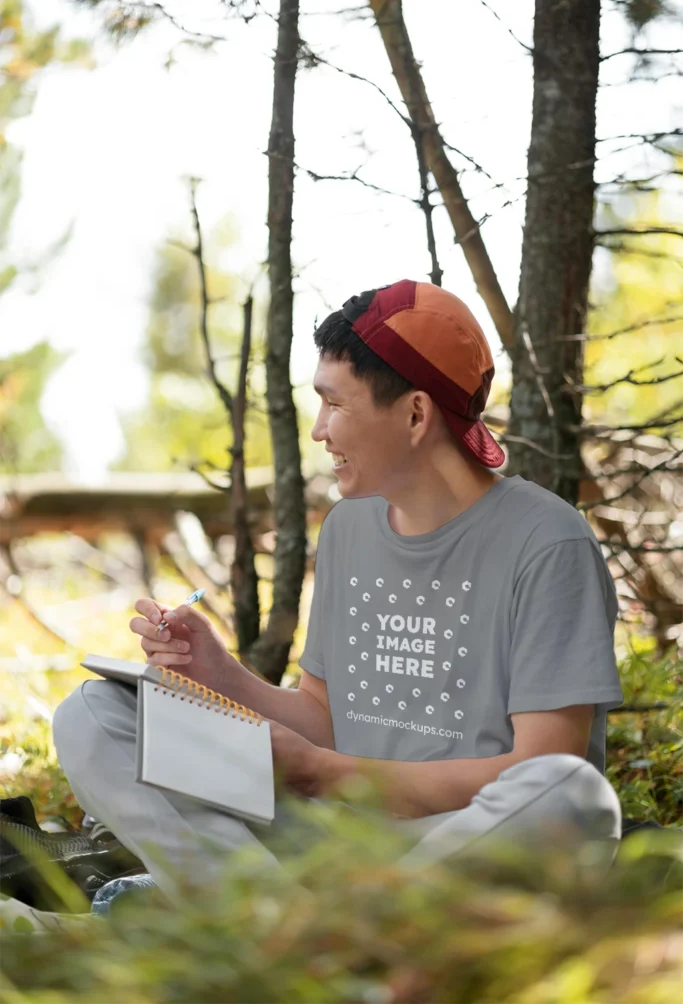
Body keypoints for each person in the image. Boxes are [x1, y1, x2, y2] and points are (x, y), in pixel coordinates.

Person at [53, 279, 624, 891]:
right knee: (92, 714)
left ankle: (277, 920)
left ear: (415, 413)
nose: (320, 430)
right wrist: (218, 673)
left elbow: (543, 764)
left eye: (335, 404)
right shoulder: (350, 527)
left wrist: (328, 775)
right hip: (330, 835)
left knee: (570, 793)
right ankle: (271, 916)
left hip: (460, 842)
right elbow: (326, 719)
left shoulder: (547, 542)